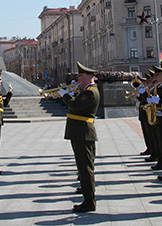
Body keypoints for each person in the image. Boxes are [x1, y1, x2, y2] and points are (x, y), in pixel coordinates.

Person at [62, 62, 99, 213]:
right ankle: (86, 195)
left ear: (86, 78)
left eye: (80, 77)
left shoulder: (90, 92)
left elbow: (75, 105)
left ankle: (89, 202)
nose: (78, 80)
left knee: (85, 168)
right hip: (79, 132)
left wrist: (65, 95)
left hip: (83, 133)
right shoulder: (86, 90)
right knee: (82, 167)